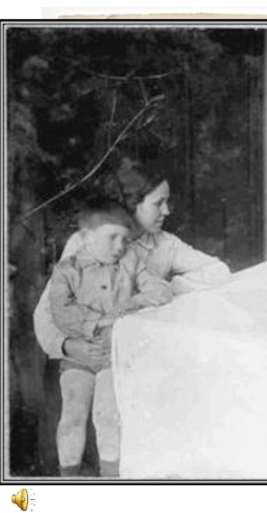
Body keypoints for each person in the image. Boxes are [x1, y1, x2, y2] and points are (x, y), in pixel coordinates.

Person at [34, 158, 232, 474]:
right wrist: (70, 346)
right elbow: (46, 314)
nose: (167, 211)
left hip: (129, 361)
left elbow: (218, 271)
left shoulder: (164, 244)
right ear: (131, 204)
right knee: (74, 416)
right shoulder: (86, 242)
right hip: (79, 354)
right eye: (159, 203)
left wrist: (167, 290)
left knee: (118, 423)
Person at [48, 199, 174, 477]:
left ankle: (111, 479)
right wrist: (102, 321)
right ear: (86, 236)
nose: (119, 246)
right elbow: (61, 312)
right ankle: (68, 477)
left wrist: (134, 302)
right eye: (112, 237)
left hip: (115, 356)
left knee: (107, 415)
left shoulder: (131, 261)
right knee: (73, 413)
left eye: (124, 239)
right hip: (79, 357)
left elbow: (160, 290)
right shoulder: (67, 270)